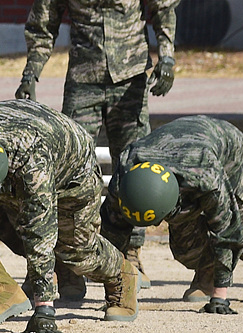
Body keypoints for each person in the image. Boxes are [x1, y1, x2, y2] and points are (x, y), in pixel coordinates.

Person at [0, 99, 141, 333]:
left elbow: (40, 235)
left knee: (76, 250)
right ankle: (1, 290)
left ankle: (121, 274)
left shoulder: (33, 166)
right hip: (10, 156)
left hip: (71, 174)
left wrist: (44, 310)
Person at [15, 0, 180, 293]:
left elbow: (163, 8)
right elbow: (44, 22)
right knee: (68, 169)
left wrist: (167, 58)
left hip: (129, 80)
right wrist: (31, 73)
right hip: (84, 79)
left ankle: (129, 251)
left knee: (134, 167)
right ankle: (67, 262)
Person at [101, 115, 243, 312]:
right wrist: (115, 293)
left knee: (242, 224)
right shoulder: (126, 170)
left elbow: (227, 230)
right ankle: (206, 270)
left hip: (226, 147)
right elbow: (112, 233)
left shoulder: (204, 175)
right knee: (186, 248)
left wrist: (220, 297)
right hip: (176, 154)